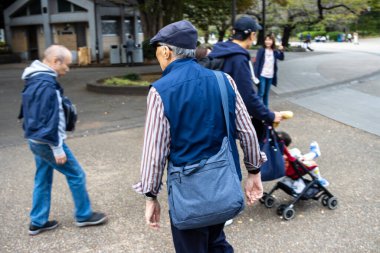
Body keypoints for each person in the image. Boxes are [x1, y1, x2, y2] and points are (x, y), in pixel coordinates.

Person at [133, 20, 265, 252]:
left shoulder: (160, 90)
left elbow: (155, 152)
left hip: (189, 196)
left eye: (157, 52)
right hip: (223, 187)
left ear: (166, 51)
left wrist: (150, 195)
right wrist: (254, 171)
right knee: (216, 241)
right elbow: (247, 131)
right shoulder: (224, 80)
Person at [20, 45, 107, 235]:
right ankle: (84, 215)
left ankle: (38, 221)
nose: (67, 69)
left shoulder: (33, 78)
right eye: (66, 65)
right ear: (55, 62)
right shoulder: (47, 85)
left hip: (35, 139)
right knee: (76, 175)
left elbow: (29, 112)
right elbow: (52, 119)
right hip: (47, 141)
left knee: (42, 178)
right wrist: (57, 148)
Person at [208, 16, 282, 144]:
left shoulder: (219, 50)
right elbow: (247, 96)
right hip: (222, 120)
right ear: (252, 35)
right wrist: (270, 115)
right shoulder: (238, 57)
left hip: (210, 114)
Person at [254, 34, 284, 107]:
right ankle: (257, 110)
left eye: (269, 40)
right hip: (262, 75)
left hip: (270, 75)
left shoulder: (274, 51)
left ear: (272, 41)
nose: (268, 42)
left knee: (266, 94)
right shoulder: (261, 50)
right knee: (261, 93)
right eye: (266, 40)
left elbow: (281, 58)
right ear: (264, 41)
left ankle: (266, 110)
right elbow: (257, 63)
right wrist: (255, 75)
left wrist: (281, 51)